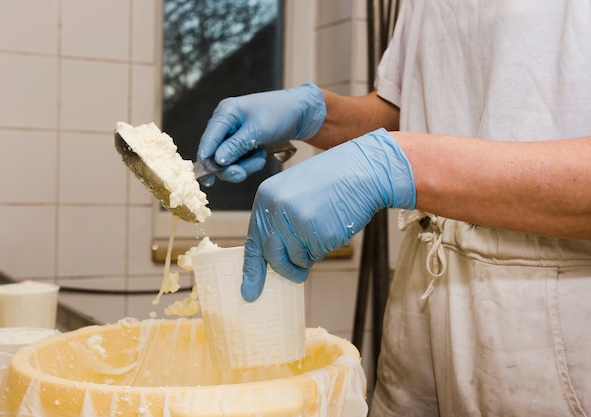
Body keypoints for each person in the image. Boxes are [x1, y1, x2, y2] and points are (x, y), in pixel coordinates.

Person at [197, 1, 591, 415]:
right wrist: (314, 115)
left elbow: (412, 149)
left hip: (549, 315)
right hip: (424, 289)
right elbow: (411, 111)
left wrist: (400, 164)